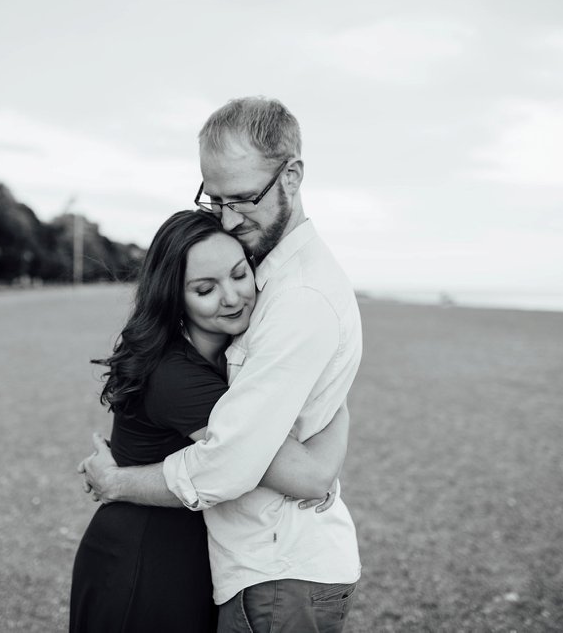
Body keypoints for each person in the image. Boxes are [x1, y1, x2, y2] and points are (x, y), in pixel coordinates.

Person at [79, 96, 363, 632]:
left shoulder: (298, 295)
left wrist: (117, 481)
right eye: (216, 201)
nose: (230, 220)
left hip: (277, 569)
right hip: (233, 564)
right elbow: (293, 468)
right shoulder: (268, 275)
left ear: (292, 176)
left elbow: (237, 463)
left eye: (243, 200)